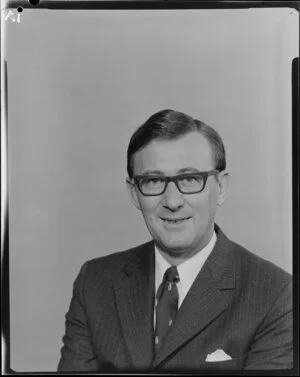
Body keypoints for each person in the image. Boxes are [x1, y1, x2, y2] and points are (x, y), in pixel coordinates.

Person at [57, 109, 293, 372]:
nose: (172, 201)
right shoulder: (94, 283)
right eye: (153, 180)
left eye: (190, 179)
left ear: (222, 188)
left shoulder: (276, 294)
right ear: (134, 193)